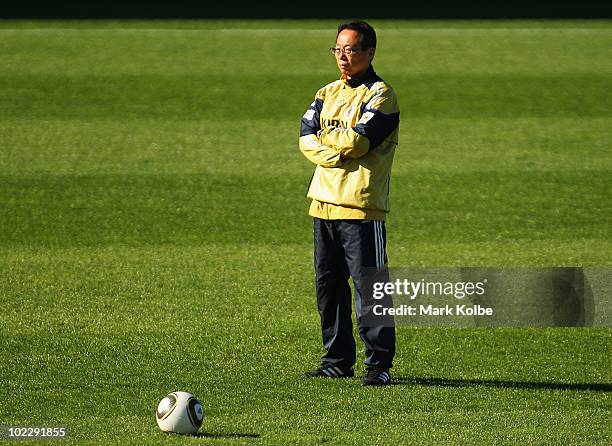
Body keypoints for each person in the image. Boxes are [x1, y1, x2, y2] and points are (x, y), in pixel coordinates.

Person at [299, 20, 399, 386]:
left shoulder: (382, 96)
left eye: (351, 50)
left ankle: (379, 365)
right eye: (338, 49)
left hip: (360, 205)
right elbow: (304, 140)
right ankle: (337, 360)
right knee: (329, 286)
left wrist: (328, 138)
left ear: (370, 52)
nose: (343, 57)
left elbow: (360, 144)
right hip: (322, 203)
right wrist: (336, 148)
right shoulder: (325, 92)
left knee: (370, 287)